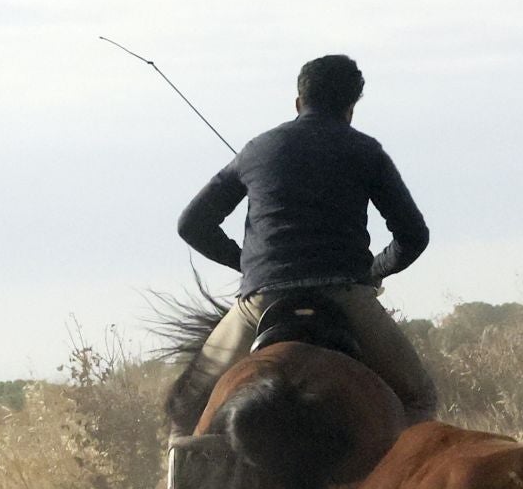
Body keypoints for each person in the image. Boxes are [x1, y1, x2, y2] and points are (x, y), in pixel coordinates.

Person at [175, 54, 437, 424]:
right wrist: (374, 271)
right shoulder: (366, 151)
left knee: (189, 404)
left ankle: (178, 482)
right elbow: (413, 236)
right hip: (345, 298)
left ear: (299, 102)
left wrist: (251, 265)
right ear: (350, 109)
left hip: (262, 300)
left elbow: (192, 224)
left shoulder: (256, 150)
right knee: (420, 398)